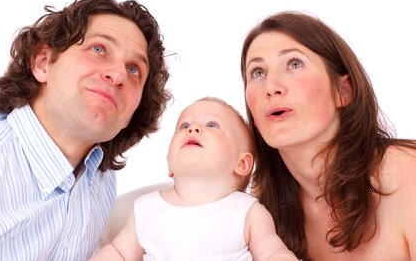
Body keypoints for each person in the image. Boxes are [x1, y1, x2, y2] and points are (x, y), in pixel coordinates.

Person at [0, 0, 171, 260]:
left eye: (134, 70)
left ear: (130, 114)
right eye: (98, 49)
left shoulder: (101, 180)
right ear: (42, 63)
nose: (119, 74)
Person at [240, 11, 416, 260]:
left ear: (343, 91)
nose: (271, 87)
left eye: (294, 64)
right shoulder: (258, 208)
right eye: (257, 72)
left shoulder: (408, 175)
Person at [90, 97, 298, 261]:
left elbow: (272, 254)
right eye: (184, 125)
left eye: (212, 125)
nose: (193, 128)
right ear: (169, 163)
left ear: (242, 164)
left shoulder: (248, 211)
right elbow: (118, 253)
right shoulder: (146, 209)